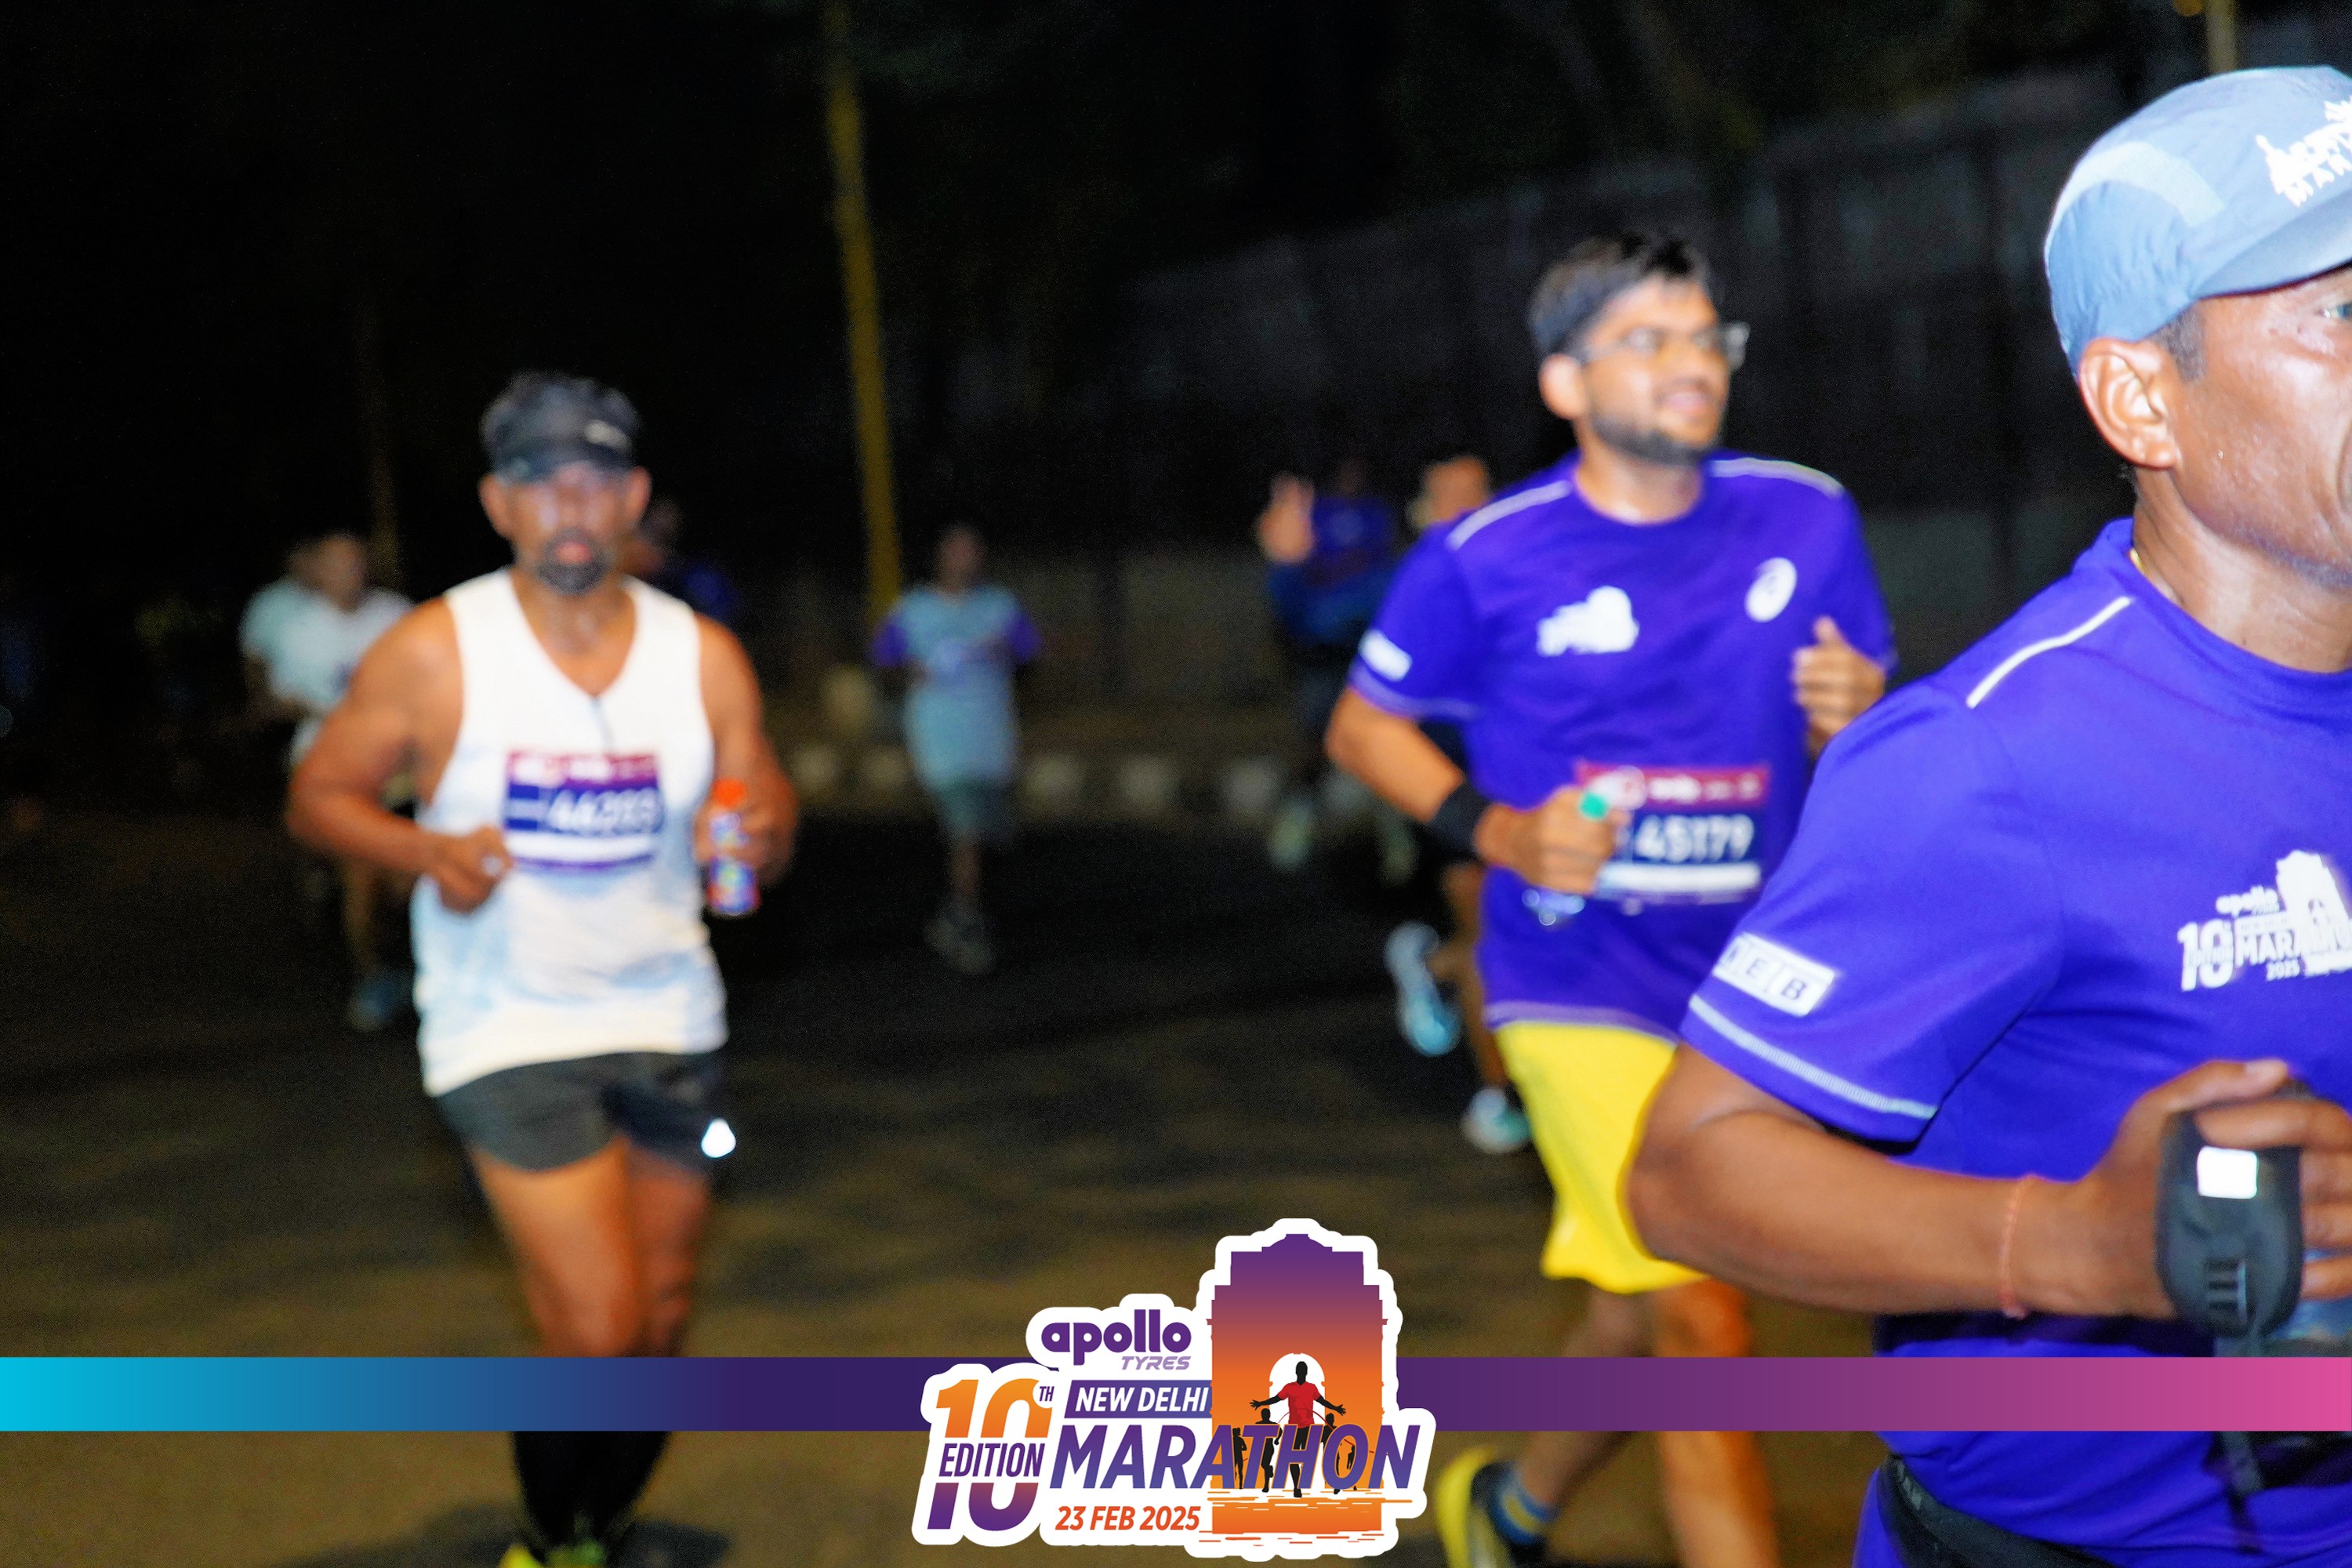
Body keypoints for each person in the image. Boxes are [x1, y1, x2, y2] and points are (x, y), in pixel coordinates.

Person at [1627, 68, 2352, 1568]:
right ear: (2140, 398)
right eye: (2340, 313)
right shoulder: (1994, 763)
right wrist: (2066, 1244)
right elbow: (1689, 1167)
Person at [1324, 233, 1893, 1568]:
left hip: (1751, 983)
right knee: (1701, 1320)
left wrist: (1860, 714)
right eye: (1649, 341)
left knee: (1640, 1308)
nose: (1692, 365)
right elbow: (1364, 727)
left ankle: (1508, 1510)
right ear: (1566, 383)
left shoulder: (1808, 518)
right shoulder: (1487, 556)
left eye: (1707, 338)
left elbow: (1861, 729)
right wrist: (1499, 831)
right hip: (1575, 981)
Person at [286, 372, 794, 1568]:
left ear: (635, 498)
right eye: (541, 480)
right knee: (602, 1326)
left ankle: (593, 1533)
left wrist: (763, 825)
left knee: (660, 1323)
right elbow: (318, 797)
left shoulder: (702, 655)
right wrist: (425, 852)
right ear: (498, 504)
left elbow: (761, 799)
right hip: (507, 1028)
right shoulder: (436, 650)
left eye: (595, 479)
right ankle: (543, 1541)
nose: (571, 503)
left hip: (670, 1016)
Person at [1382, 454, 1530, 1153]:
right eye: (1448, 497)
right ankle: (1499, 1093)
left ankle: (1430, 964)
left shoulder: (1528, 573)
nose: (1465, 509)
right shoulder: (1410, 587)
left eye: (1476, 494)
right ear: (1422, 512)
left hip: (1532, 787)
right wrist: (1290, 569)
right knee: (1487, 936)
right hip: (1450, 791)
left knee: (1535, 930)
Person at [869, 523, 1039, 977]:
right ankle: (967, 925)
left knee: (993, 839)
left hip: (992, 739)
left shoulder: (999, 606)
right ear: (940, 557)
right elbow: (883, 661)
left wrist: (1006, 650)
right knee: (967, 833)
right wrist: (911, 671)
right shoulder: (915, 609)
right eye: (956, 551)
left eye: (972, 551)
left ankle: (955, 913)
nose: (965, 560)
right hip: (941, 738)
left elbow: (1031, 652)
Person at [266, 532, 412, 1028]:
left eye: (356, 562)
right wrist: (335, 716)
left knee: (410, 879)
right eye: (336, 565)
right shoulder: (299, 629)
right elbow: (279, 697)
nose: (349, 574)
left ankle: (417, 968)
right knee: (362, 874)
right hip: (331, 768)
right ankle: (373, 977)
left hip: (400, 769)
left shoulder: (396, 615)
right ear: (318, 572)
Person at [1257, 457, 1414, 879]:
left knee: (1385, 745)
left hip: (1368, 655)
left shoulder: (1379, 521)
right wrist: (1286, 566)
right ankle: (1297, 821)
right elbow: (1287, 599)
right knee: (1316, 742)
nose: (1350, 475)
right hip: (1322, 654)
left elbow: (1391, 585)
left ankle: (1397, 835)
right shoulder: (1311, 518)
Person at [627, 495, 742, 630]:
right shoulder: (620, 546)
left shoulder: (679, 572)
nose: (664, 519)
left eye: (670, 515)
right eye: (662, 512)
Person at [241, 539, 323, 706]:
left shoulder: (338, 599)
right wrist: (262, 701)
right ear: (291, 560)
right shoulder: (269, 602)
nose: (310, 565)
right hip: (283, 705)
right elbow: (253, 657)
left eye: (315, 557)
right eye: (303, 557)